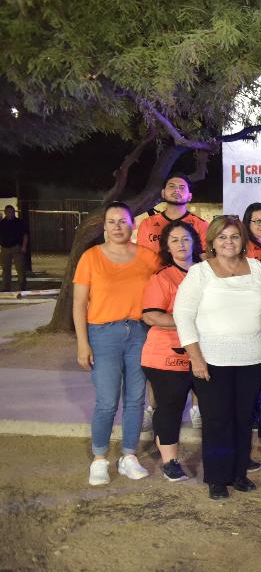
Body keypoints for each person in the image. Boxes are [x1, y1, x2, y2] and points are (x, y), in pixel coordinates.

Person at [174, 216, 261, 500]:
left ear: (243, 241)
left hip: (253, 358)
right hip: (212, 360)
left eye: (234, 236)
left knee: (243, 419)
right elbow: (183, 315)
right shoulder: (200, 272)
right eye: (222, 237)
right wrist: (195, 358)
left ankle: (239, 473)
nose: (229, 242)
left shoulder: (256, 268)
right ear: (212, 242)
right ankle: (217, 478)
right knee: (217, 420)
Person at [74, 202, 159, 486]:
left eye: (123, 221)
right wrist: (83, 343)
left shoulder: (148, 257)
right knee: (107, 400)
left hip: (139, 332)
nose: (117, 226)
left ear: (132, 225)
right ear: (104, 227)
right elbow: (79, 304)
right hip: (103, 334)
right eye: (112, 222)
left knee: (135, 399)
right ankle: (99, 458)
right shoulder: (91, 257)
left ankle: (128, 456)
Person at [141, 221, 202, 482]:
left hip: (203, 352)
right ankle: (170, 462)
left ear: (195, 242)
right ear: (166, 246)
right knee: (170, 407)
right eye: (174, 240)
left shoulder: (205, 272)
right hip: (167, 355)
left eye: (186, 239)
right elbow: (151, 316)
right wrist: (189, 321)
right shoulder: (162, 278)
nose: (181, 244)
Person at [135, 174, 209, 250]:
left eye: (182, 187)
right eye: (171, 186)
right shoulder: (147, 224)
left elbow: (206, 255)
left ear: (189, 196)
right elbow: (141, 254)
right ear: (163, 193)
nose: (176, 190)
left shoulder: (201, 225)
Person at [0, 204, 29, 292]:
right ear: (5, 212)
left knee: (20, 268)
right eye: (9, 212)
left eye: (12, 212)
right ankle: (6, 287)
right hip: (5, 248)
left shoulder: (19, 222)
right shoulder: (2, 223)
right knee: (6, 269)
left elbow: (25, 235)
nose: (11, 214)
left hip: (16, 247)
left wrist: (24, 246)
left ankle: (22, 286)